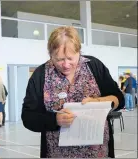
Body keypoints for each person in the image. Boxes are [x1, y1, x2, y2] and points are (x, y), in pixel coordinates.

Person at [21, 26, 125, 158]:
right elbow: (28, 117)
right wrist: (55, 120)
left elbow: (119, 99)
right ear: (50, 54)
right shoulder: (41, 75)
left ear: (79, 52)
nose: (65, 64)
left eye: (71, 58)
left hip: (98, 153)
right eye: (59, 59)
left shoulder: (94, 66)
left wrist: (98, 101)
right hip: (57, 154)